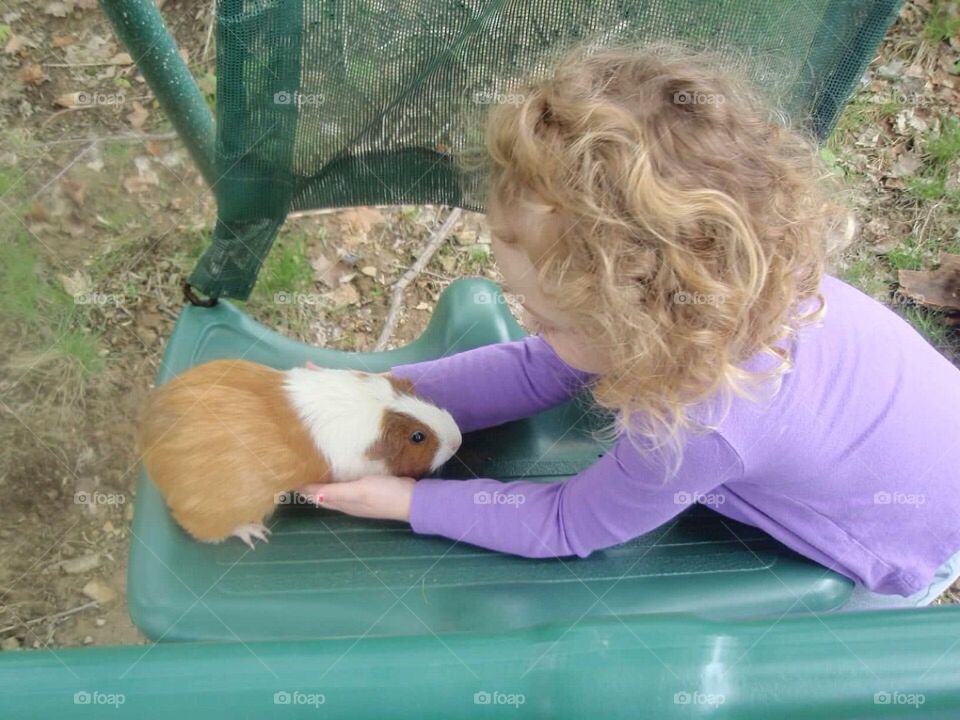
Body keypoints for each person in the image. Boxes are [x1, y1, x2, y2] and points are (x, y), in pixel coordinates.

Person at [299, 44, 960, 609]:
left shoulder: (700, 422)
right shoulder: (723, 278)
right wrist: (380, 394)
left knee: (804, 668)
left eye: (548, 316)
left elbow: (567, 522)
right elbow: (542, 366)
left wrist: (410, 505)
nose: (527, 323)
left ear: (640, 321)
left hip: (908, 541)